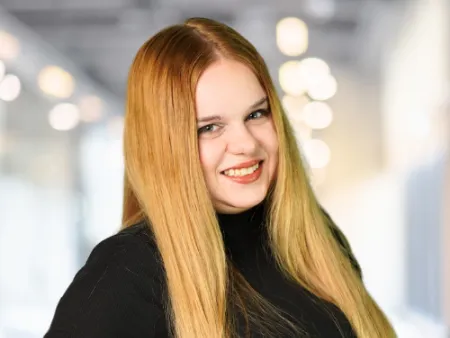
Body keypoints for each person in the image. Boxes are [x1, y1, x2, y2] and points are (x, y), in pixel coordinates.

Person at [44, 17, 396, 338]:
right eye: (209, 128)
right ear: (163, 146)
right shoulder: (130, 271)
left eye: (257, 114)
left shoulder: (315, 239)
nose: (246, 143)